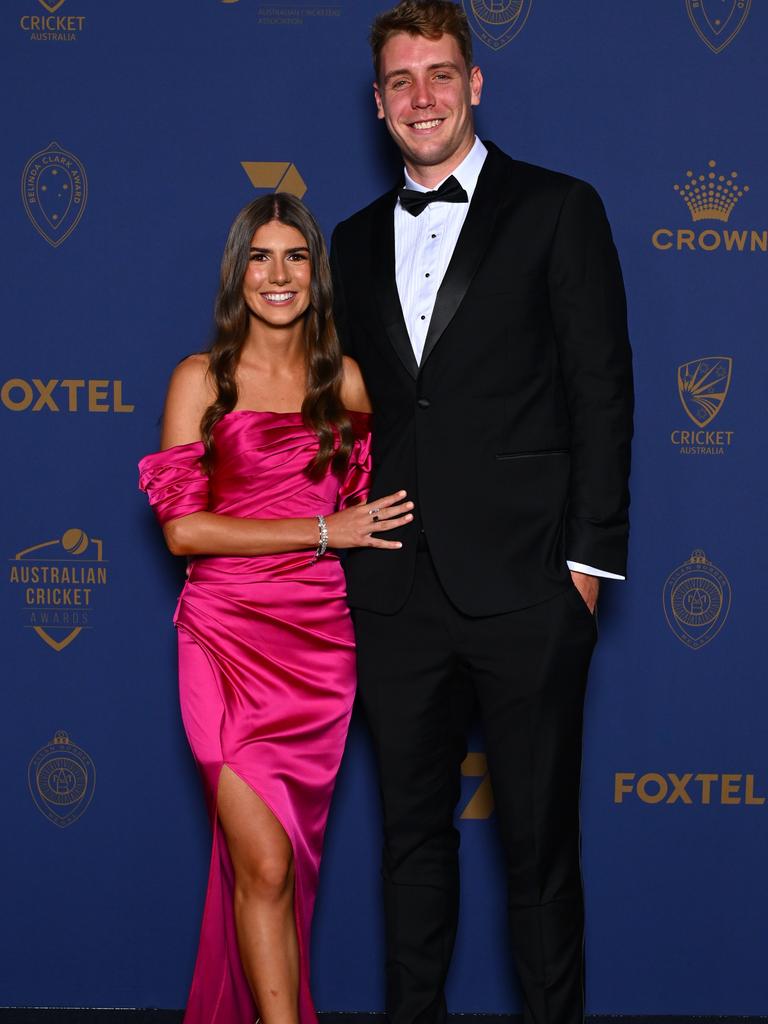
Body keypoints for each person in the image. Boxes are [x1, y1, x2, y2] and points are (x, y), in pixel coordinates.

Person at [330, 4, 634, 1024]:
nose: (423, 96)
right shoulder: (351, 240)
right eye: (402, 80)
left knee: (538, 848)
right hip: (397, 590)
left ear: (475, 84)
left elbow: (602, 389)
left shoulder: (558, 208)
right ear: (377, 103)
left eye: (441, 74)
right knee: (411, 841)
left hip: (528, 585)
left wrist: (588, 566)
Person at [138, 193, 412, 1024]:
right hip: (221, 640)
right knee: (260, 863)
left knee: (286, 867)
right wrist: (323, 527)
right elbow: (185, 530)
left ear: (316, 276)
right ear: (238, 273)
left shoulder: (350, 383)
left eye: (296, 256)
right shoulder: (202, 379)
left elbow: (375, 517)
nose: (279, 274)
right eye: (261, 256)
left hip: (319, 652)